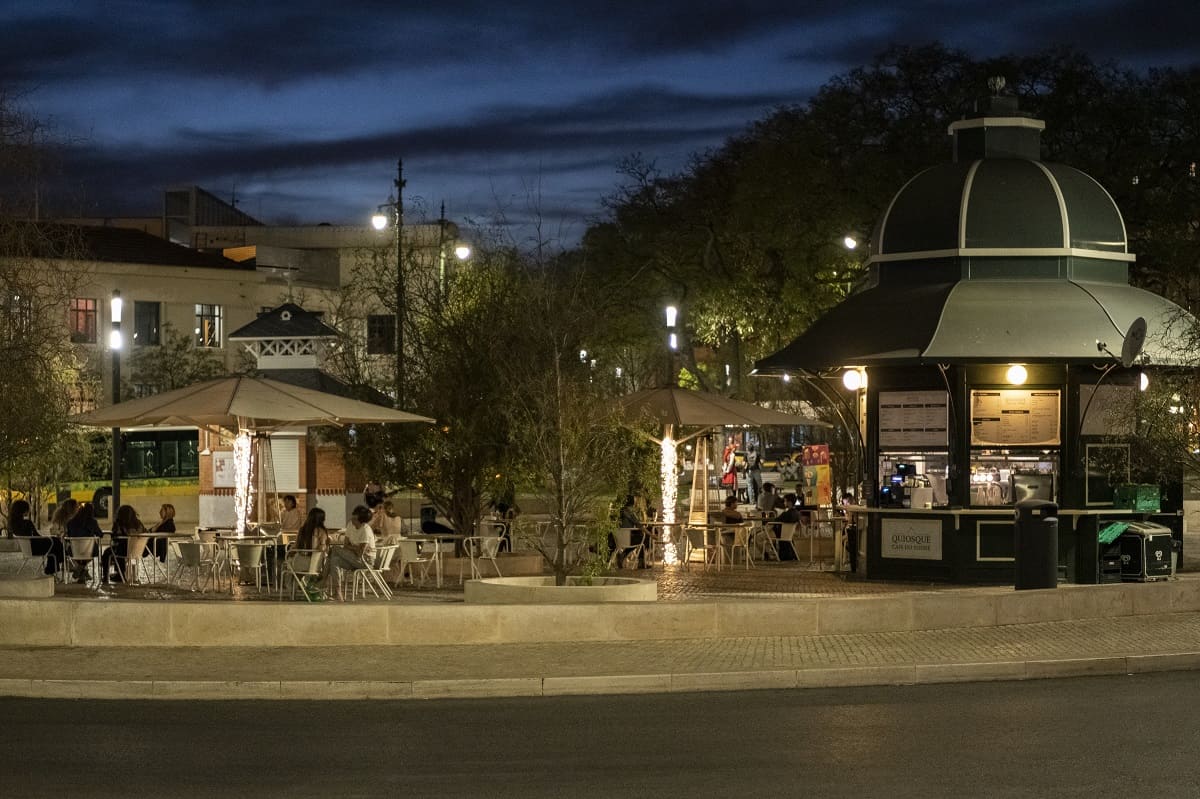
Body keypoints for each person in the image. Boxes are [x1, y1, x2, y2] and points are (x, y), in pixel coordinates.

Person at [324, 505, 376, 602]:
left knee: (334, 549)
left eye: (355, 518)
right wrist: (354, 548)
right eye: (352, 516)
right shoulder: (350, 525)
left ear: (361, 520)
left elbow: (360, 553)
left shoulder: (365, 530)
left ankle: (321, 583)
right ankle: (338, 593)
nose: (352, 520)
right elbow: (346, 545)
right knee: (334, 560)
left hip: (365, 561)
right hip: (352, 557)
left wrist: (351, 548)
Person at [9, 499, 61, 576]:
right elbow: (37, 536)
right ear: (24, 510)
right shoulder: (27, 523)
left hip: (27, 549)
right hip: (34, 548)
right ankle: (58, 564)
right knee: (55, 542)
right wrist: (48, 538)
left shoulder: (13, 524)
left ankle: (51, 569)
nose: (29, 511)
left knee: (54, 547)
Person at [102, 505, 146, 583]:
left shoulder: (119, 523)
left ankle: (107, 576)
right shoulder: (138, 524)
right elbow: (145, 532)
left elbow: (115, 536)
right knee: (118, 550)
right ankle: (119, 573)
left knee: (107, 553)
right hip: (137, 551)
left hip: (123, 550)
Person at [65, 502, 104, 582]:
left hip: (74, 551)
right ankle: (83, 571)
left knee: (79, 554)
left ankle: (80, 570)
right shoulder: (93, 522)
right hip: (90, 551)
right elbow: (100, 534)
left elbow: (68, 537)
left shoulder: (70, 522)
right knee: (90, 551)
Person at [609, 495, 646, 569]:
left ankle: (623, 555)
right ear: (632, 502)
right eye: (635, 500)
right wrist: (651, 534)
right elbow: (639, 525)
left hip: (618, 540)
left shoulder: (619, 511)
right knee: (642, 537)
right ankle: (638, 561)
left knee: (639, 535)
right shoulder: (631, 513)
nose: (636, 501)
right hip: (627, 540)